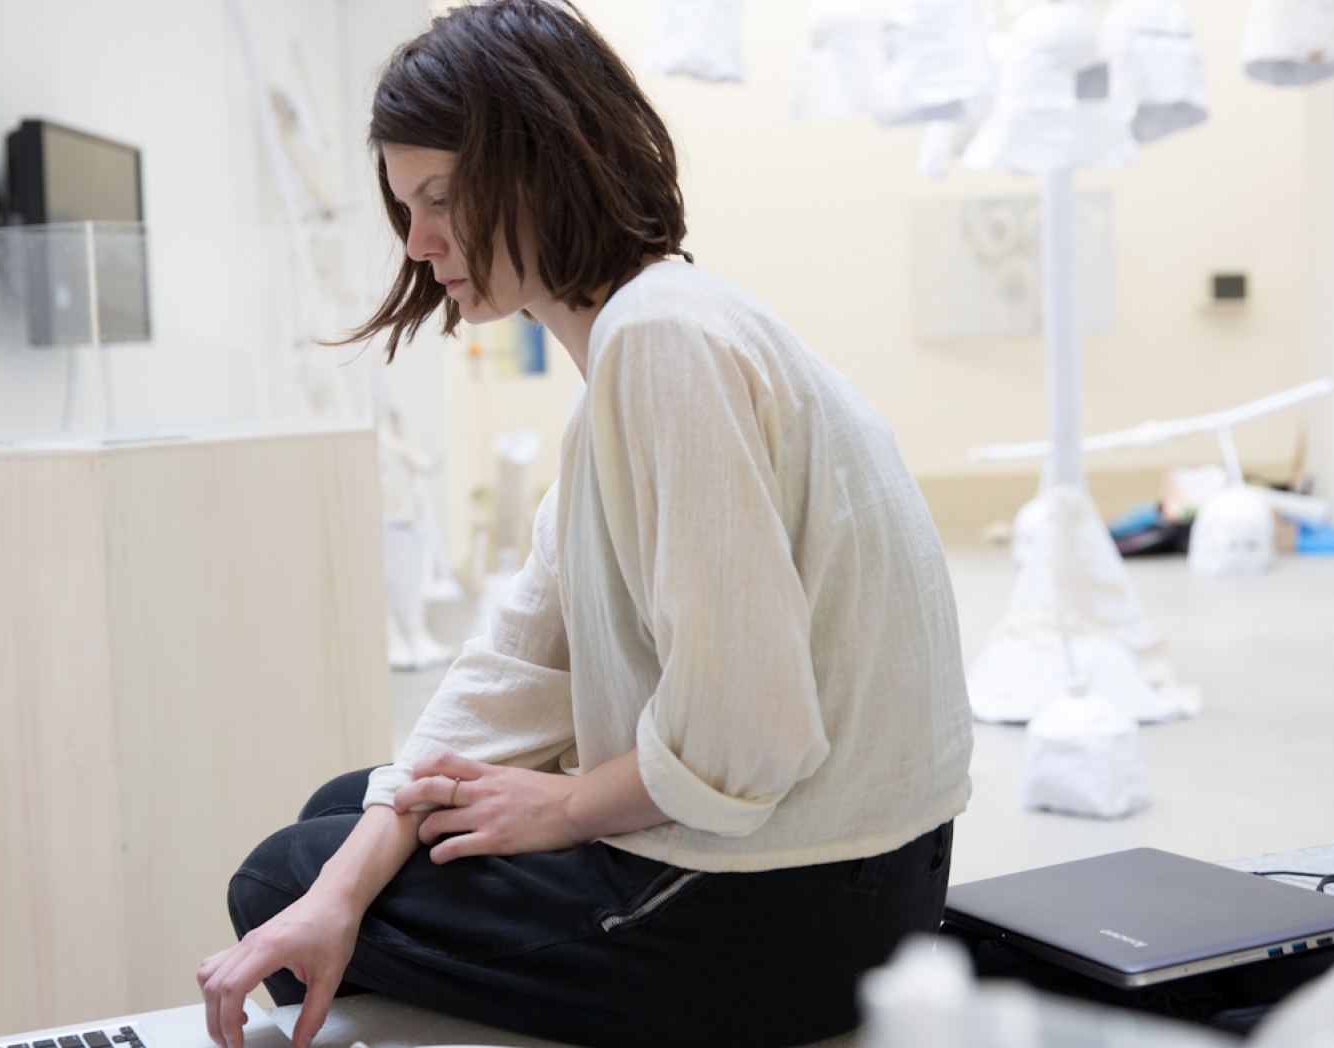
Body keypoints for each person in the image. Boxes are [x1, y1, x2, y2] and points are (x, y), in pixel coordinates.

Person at [196, 3, 973, 1047]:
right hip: (859, 889)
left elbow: (750, 737)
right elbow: (515, 663)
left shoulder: (660, 344)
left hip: (789, 909)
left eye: (441, 199)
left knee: (272, 875)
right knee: (351, 821)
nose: (420, 245)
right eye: (406, 207)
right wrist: (350, 874)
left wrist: (559, 810)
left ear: (539, 163)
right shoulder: (653, 340)